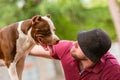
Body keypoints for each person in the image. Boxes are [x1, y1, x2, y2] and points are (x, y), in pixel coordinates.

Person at [30, 28, 120, 80]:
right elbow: (31, 50)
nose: (74, 44)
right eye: (78, 40)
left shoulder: (112, 72)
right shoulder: (68, 48)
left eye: (79, 45)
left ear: (90, 56)